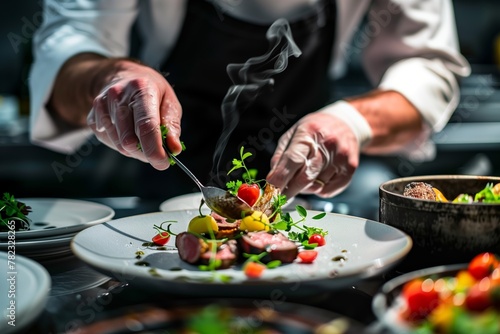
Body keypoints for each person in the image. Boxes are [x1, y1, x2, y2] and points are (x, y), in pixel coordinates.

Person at [29, 0, 470, 202]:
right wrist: (110, 77)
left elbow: (429, 65)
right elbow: (72, 44)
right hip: (164, 166)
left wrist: (351, 122)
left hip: (315, 178)